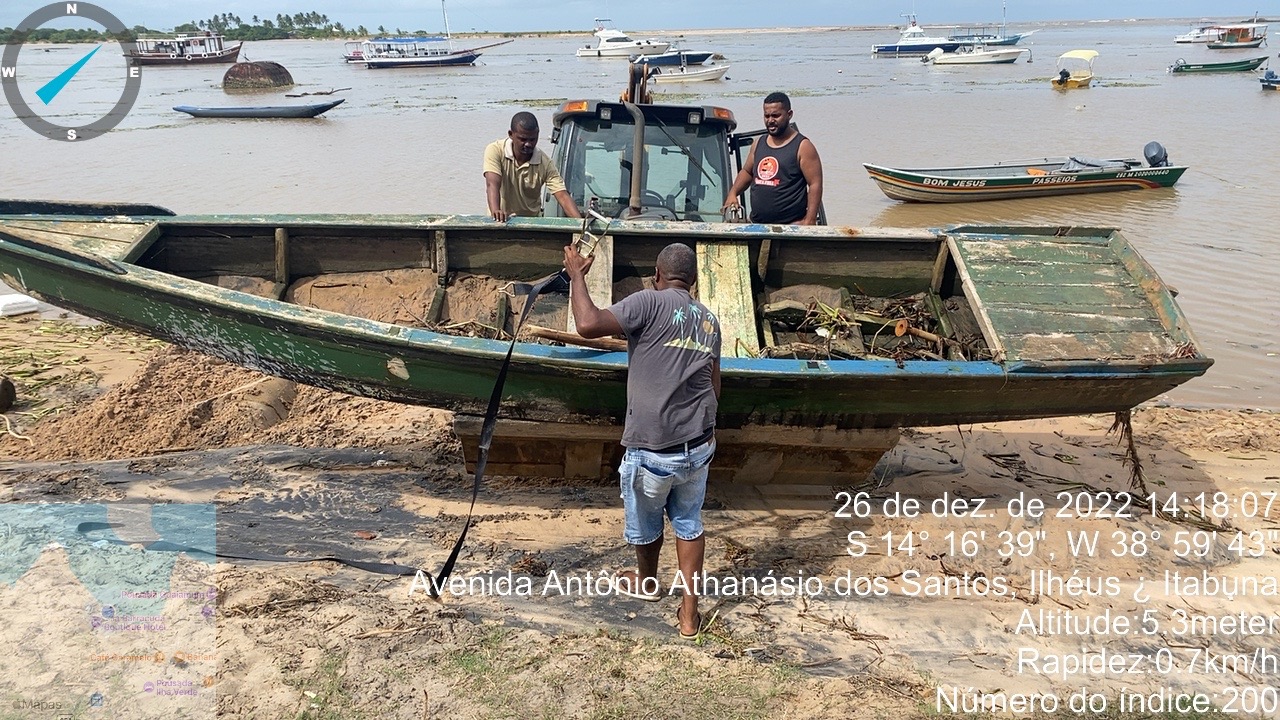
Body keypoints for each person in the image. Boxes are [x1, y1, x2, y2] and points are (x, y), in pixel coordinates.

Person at [563, 242, 721, 640]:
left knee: (648, 523)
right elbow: (714, 384)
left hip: (653, 448)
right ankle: (689, 617)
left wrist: (577, 275)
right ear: (695, 282)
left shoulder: (647, 303)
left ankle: (648, 584)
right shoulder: (708, 321)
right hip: (699, 445)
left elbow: (588, 324)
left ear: (657, 274)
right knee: (689, 524)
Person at [722, 92, 824, 225]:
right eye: (767, 116)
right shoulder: (758, 143)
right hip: (756, 224)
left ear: (789, 114)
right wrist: (733, 193)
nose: (770, 120)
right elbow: (747, 172)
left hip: (792, 225)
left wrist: (810, 220)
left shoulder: (803, 146)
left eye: (776, 116)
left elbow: (815, 184)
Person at [483, 112, 582, 222]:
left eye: (532, 139)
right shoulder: (495, 150)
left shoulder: (545, 162)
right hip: (501, 220)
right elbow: (492, 184)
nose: (528, 144)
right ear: (511, 134)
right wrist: (496, 211)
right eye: (523, 139)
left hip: (531, 222)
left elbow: (562, 195)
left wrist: (580, 224)